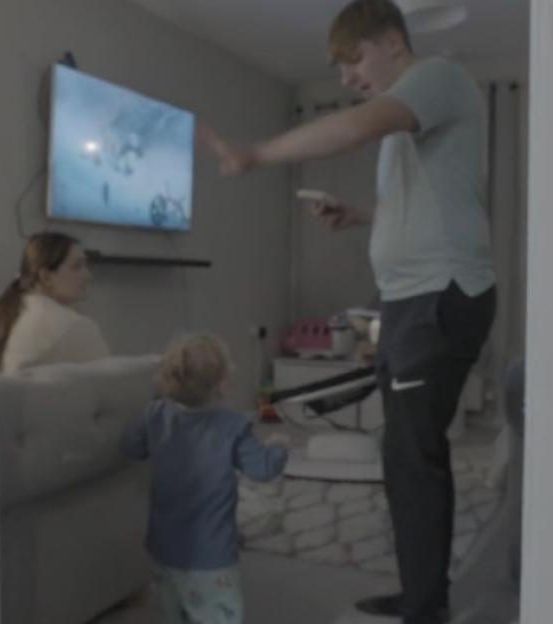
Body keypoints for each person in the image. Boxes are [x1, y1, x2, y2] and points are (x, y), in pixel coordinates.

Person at [199, 1, 496, 622]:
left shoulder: (435, 76)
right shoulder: (413, 120)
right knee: (405, 454)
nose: (348, 79)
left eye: (354, 60)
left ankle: (426, 608)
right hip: (416, 296)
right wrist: (359, 217)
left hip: (437, 294)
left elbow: (356, 126)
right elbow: (431, 205)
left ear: (392, 41)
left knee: (413, 457)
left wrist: (257, 153)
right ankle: (423, 594)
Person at [122, 333, 287, 624]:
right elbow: (263, 469)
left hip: (164, 550)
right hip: (212, 557)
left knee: (172, 613)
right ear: (222, 383)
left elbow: (132, 448)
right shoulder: (233, 427)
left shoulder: (154, 415)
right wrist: (279, 447)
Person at [0, 231, 109, 374]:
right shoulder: (76, 326)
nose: (88, 276)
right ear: (46, 277)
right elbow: (110, 389)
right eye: (77, 266)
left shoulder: (11, 311)